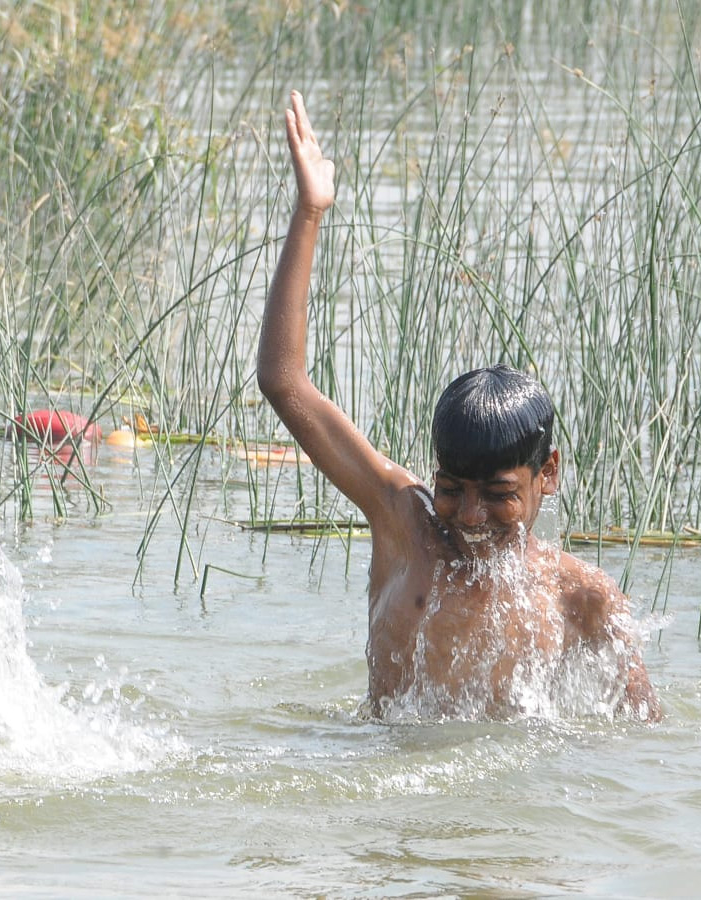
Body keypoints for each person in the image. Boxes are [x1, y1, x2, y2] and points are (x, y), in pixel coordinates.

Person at [256, 91, 659, 721]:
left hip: (504, 815)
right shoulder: (405, 523)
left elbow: (641, 749)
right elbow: (285, 383)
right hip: (378, 791)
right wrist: (309, 211)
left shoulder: (583, 599)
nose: (469, 516)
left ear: (547, 474)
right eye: (452, 487)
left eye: (498, 493)